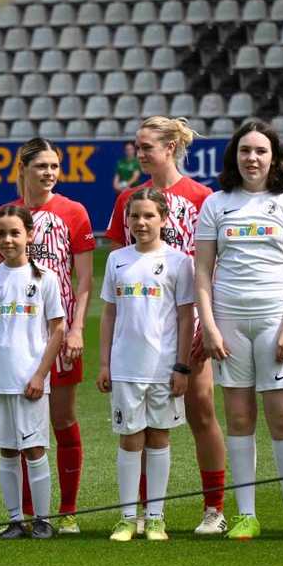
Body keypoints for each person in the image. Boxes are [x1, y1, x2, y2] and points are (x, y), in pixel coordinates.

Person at [194, 119, 283, 540]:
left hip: (275, 322)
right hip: (229, 324)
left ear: (274, 157)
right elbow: (202, 272)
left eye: (261, 151)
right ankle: (246, 514)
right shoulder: (216, 204)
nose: (252, 158)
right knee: (239, 415)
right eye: (245, 150)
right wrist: (209, 327)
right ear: (235, 155)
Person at [105, 117, 228, 536]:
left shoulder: (201, 197)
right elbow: (123, 265)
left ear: (171, 146)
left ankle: (215, 507)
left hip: (194, 319)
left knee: (201, 411)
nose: (139, 154)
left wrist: (205, 326)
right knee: (142, 422)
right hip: (148, 329)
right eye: (137, 148)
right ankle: (139, 512)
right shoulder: (130, 200)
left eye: (146, 147)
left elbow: (214, 265)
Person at [0, 138, 94, 533]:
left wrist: (77, 328)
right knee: (17, 427)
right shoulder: (7, 215)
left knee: (62, 419)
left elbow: (83, 278)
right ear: (23, 168)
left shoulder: (73, 212)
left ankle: (65, 510)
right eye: (41, 166)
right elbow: (0, 282)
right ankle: (24, 514)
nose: (49, 173)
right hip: (16, 340)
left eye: (54, 166)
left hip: (57, 334)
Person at [98, 188, 195, 542]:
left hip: (163, 367)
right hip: (125, 366)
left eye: (148, 215)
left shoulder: (179, 262)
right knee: (129, 438)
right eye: (134, 216)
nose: (140, 222)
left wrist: (182, 366)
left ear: (163, 219)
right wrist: (104, 363)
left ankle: (155, 517)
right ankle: (127, 518)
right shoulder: (117, 260)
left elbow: (187, 317)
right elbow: (109, 313)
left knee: (158, 437)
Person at [0, 205, 66, 540]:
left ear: (30, 235)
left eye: (15, 232)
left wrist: (41, 375)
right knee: (7, 449)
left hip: (31, 378)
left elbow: (57, 330)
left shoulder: (45, 277)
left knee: (35, 448)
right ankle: (15, 519)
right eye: (2, 233)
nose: (8, 239)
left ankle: (42, 518)